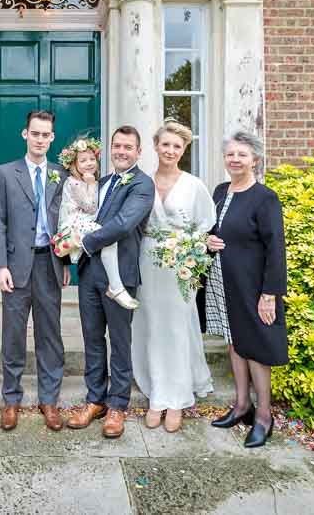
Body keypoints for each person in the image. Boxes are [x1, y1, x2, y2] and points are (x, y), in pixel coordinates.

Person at [67, 126, 154, 439]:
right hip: (89, 273)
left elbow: (123, 224)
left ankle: (118, 405)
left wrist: (85, 242)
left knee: (119, 341)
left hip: (120, 273)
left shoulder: (143, 184)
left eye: (128, 147)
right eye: (117, 146)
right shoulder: (100, 182)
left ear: (138, 151)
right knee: (92, 338)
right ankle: (95, 400)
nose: (121, 151)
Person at [205, 131, 288, 448]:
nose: (235, 159)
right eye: (230, 154)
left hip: (253, 286)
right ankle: (241, 405)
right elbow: (212, 231)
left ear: (255, 159)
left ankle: (264, 415)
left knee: (255, 348)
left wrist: (269, 294)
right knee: (234, 342)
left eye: (242, 154)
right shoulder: (220, 191)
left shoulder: (264, 197)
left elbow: (275, 248)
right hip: (224, 282)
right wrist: (207, 241)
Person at [0, 110, 72, 432]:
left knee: (50, 335)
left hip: (48, 264)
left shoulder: (60, 174)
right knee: (13, 335)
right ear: (25, 134)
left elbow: (67, 221)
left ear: (52, 138)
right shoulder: (7, 173)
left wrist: (64, 262)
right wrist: (0, 266)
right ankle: (11, 400)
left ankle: (49, 400)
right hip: (16, 266)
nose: (40, 139)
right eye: (34, 133)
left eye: (45, 135)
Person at [131, 121, 215, 433]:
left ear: (183, 150)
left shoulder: (194, 185)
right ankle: (157, 396)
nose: (170, 150)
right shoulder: (143, 183)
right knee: (152, 324)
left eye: (177, 146)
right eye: (165, 144)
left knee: (178, 326)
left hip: (181, 264)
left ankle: (177, 399)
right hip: (148, 261)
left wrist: (193, 250)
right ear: (156, 146)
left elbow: (205, 225)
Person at [53, 137, 138, 310]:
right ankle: (116, 286)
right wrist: (92, 184)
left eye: (92, 159)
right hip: (74, 223)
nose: (89, 163)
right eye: (83, 160)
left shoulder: (85, 181)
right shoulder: (75, 182)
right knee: (107, 236)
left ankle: (115, 285)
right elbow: (91, 207)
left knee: (107, 239)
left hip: (81, 222)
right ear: (73, 165)